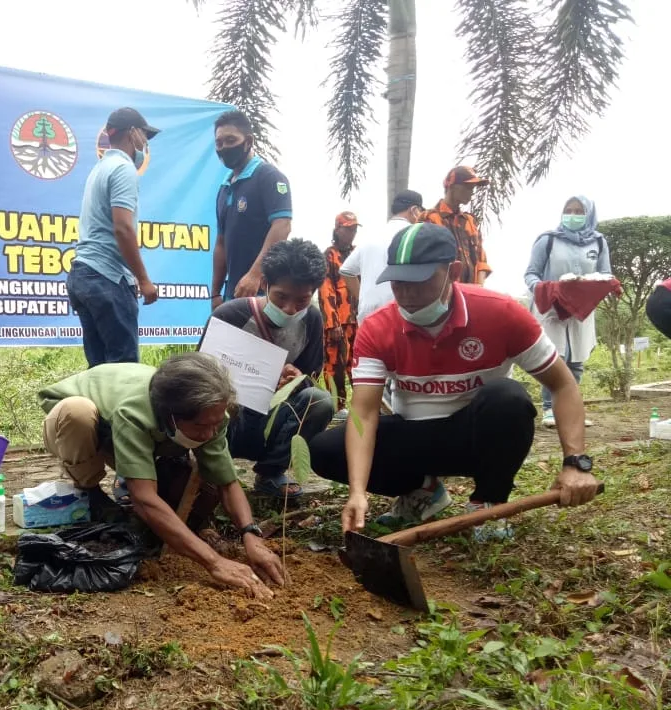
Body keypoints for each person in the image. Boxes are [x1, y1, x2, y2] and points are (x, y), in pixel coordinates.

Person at [309, 223, 601, 540]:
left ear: (453, 271)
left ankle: (489, 502)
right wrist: (357, 492)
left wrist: (575, 463)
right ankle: (423, 491)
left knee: (509, 399)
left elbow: (562, 384)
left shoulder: (500, 313)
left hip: (475, 438)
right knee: (325, 449)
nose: (407, 295)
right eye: (397, 283)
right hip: (416, 438)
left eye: (419, 282)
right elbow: (364, 414)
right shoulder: (378, 328)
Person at [38, 352, 287, 599]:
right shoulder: (134, 413)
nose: (210, 433)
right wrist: (214, 562)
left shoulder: (211, 413)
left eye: (216, 423)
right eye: (201, 426)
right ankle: (90, 492)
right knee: (78, 413)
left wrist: (250, 533)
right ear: (170, 416)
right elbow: (144, 498)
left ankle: (134, 478)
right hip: (77, 421)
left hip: (137, 427)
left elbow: (226, 482)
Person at [202, 238, 333, 498]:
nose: (289, 308)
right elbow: (198, 379)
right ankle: (209, 471)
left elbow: (310, 378)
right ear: (265, 284)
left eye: (302, 300)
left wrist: (296, 380)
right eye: (281, 297)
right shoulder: (229, 316)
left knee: (320, 401)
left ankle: (271, 472)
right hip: (228, 418)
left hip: (272, 419)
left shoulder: (313, 320)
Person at [67, 107, 158, 368]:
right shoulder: (123, 168)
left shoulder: (100, 168)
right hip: (107, 277)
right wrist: (144, 280)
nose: (145, 144)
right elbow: (123, 228)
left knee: (99, 371)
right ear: (133, 133)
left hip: (84, 275)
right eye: (144, 137)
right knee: (123, 371)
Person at [524, 196, 612, 428]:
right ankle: (549, 410)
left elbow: (605, 274)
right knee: (554, 358)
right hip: (551, 309)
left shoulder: (599, 242)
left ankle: (571, 410)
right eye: (568, 210)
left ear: (589, 214)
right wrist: (545, 289)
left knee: (576, 361)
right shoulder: (548, 240)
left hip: (582, 311)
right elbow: (530, 274)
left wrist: (597, 287)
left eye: (579, 211)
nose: (573, 215)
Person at [211, 110, 292, 303]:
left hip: (264, 293)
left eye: (231, 140)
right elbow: (221, 243)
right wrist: (215, 293)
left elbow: (282, 225)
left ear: (249, 141)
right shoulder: (225, 187)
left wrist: (256, 274)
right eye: (219, 143)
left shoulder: (269, 177)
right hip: (233, 294)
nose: (224, 147)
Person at [341, 190, 423, 323]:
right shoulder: (413, 234)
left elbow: (346, 270)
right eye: (420, 212)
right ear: (414, 210)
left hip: (367, 317)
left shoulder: (372, 235)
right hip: (398, 315)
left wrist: (362, 297)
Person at [419, 166, 491, 285]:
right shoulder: (430, 218)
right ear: (452, 187)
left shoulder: (470, 221)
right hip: (442, 294)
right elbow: (425, 262)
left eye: (473, 188)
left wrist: (478, 289)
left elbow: (481, 260)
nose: (471, 192)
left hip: (470, 295)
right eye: (468, 187)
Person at [320, 212, 359, 412]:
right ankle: (336, 408)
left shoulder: (357, 253)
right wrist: (332, 323)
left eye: (354, 229)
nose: (351, 233)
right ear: (337, 229)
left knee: (359, 365)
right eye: (348, 228)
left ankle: (362, 406)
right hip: (338, 322)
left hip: (358, 320)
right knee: (335, 366)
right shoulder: (329, 255)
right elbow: (326, 290)